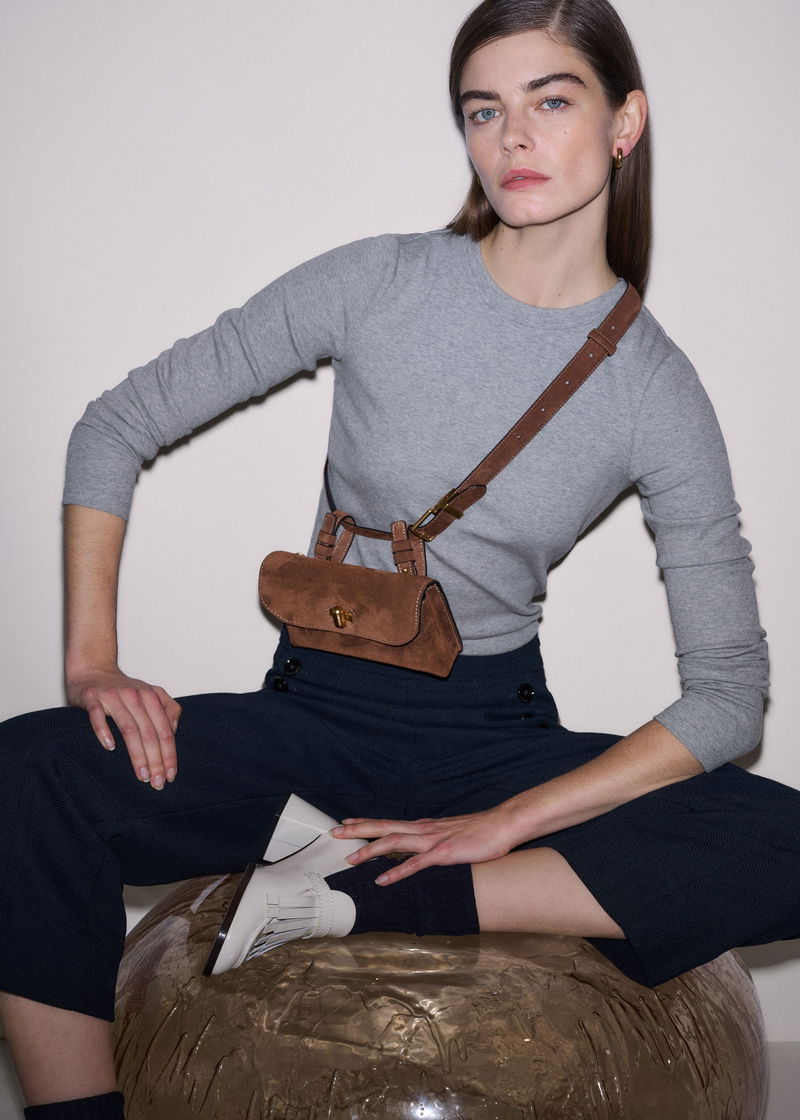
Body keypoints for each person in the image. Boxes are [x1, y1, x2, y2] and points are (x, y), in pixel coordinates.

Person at [1, 0, 799, 1115]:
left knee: (782, 839)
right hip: (311, 723)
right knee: (27, 773)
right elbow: (113, 427)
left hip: (493, 742)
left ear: (624, 123)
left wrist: (507, 823)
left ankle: (355, 896)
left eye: (551, 100)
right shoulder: (378, 281)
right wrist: (93, 663)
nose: (514, 137)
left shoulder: (653, 388)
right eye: (485, 109)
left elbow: (728, 695)